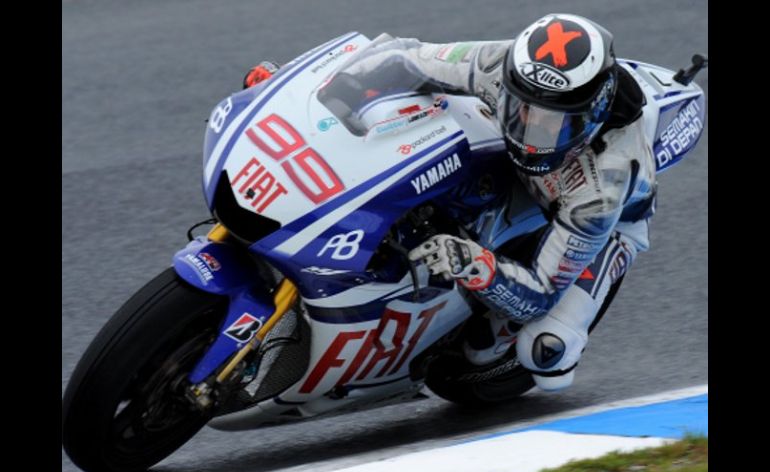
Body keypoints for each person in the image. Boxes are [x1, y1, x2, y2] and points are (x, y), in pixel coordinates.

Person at [248, 13, 657, 392]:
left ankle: (499, 353)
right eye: (520, 109)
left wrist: (475, 266)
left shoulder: (602, 189)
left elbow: (541, 293)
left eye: (552, 122)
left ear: (593, 113)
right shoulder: (498, 63)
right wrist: (328, 94)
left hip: (597, 227)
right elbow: (403, 57)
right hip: (511, 171)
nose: (530, 130)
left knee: (547, 353)